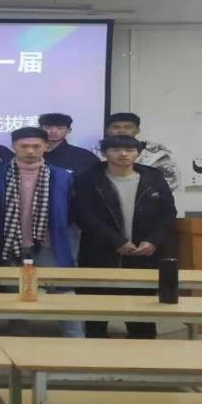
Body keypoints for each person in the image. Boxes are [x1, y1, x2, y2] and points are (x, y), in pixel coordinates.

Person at [75, 135, 178, 339]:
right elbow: (84, 215)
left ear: (138, 153)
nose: (123, 154)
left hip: (144, 254)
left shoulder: (153, 178)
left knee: (142, 314)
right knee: (96, 313)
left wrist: (154, 241)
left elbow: (168, 214)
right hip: (100, 253)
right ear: (104, 153)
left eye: (129, 150)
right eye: (116, 150)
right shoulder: (88, 178)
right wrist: (116, 242)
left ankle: (141, 350)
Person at [0, 127, 81, 338]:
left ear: (46, 146)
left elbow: (74, 210)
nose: (30, 151)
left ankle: (75, 336)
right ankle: (19, 337)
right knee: (15, 293)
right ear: (13, 146)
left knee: (63, 290)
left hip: (50, 244)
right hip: (9, 244)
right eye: (24, 146)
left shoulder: (63, 176)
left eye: (36, 146)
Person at [94, 112, 180, 192]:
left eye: (128, 127)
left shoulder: (157, 154)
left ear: (137, 130)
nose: (122, 131)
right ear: (107, 130)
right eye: (116, 127)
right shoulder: (95, 152)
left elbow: (171, 181)